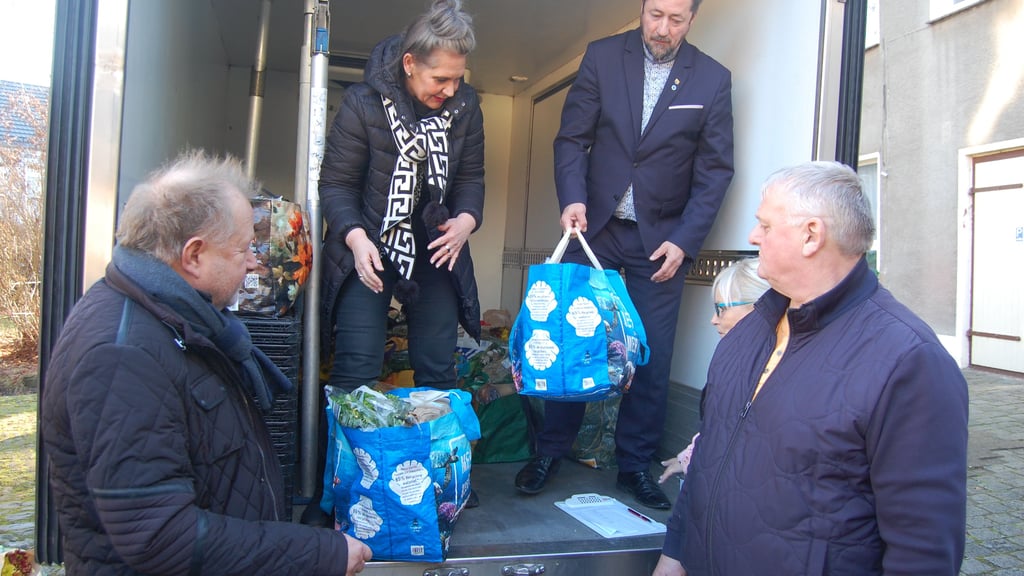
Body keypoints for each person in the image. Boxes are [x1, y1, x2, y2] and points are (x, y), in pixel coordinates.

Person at [40, 150, 373, 575]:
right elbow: (160, 536)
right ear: (194, 255)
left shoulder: (178, 322)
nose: (254, 262)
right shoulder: (122, 356)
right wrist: (317, 554)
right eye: (243, 250)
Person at [654, 161, 969, 576]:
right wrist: (673, 557)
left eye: (764, 226)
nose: (752, 237)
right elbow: (707, 463)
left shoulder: (908, 361)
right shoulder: (747, 334)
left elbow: (922, 549)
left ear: (811, 235)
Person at [514, 0, 734, 510]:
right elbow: (571, 140)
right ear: (642, 8)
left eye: (676, 19)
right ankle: (550, 451)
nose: (663, 28)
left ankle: (634, 466)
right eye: (655, 14)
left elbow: (715, 171)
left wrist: (685, 240)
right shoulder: (601, 57)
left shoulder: (712, 79)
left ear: (692, 19)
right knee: (570, 339)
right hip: (594, 227)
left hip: (660, 242)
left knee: (649, 355)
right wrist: (572, 198)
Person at [311, 0, 484, 523]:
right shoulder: (363, 104)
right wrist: (356, 237)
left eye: (457, 79)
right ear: (410, 63)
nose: (450, 89)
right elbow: (335, 185)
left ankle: (442, 483)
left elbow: (472, 178)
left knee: (437, 371)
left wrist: (467, 221)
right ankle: (340, 490)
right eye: (440, 78)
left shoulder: (467, 106)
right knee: (356, 372)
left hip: (435, 248)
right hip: (368, 244)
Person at [657, 257, 769, 484]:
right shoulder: (731, 361)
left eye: (721, 309)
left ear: (759, 306)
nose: (713, 320)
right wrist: (690, 457)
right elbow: (719, 427)